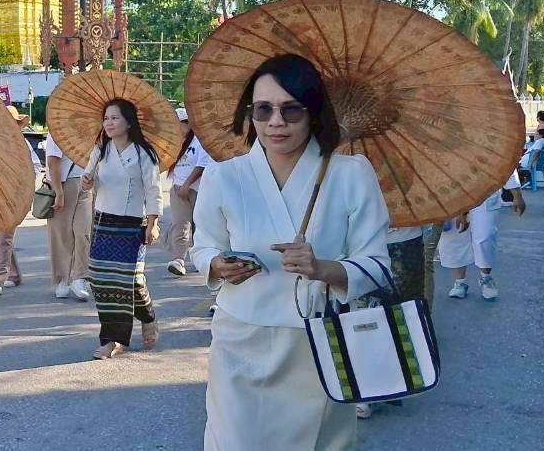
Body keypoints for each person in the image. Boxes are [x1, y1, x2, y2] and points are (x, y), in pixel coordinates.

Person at [192, 54, 391, 450]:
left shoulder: (351, 174)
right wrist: (217, 265)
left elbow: (377, 266)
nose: (276, 122)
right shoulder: (224, 176)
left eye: (291, 110)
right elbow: (204, 245)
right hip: (239, 341)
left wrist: (322, 268)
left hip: (317, 345)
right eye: (263, 110)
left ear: (313, 112)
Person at [82, 98, 163, 359]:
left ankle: (126, 332)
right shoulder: (100, 150)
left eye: (115, 118)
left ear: (128, 122)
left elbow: (153, 189)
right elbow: (87, 179)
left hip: (132, 224)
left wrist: (153, 223)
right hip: (104, 222)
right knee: (101, 278)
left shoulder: (144, 153)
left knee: (127, 279)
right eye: (106, 118)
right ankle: (118, 334)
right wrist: (86, 181)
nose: (109, 123)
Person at [440, 171, 526, 300]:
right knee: (454, 238)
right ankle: (459, 282)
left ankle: (486, 278)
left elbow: (506, 165)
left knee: (484, 237)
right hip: (452, 191)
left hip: (484, 191)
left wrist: (517, 195)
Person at [0, 106, 43, 297]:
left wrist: (23, 185)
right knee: (1, 236)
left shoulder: (23, 144)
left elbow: (35, 168)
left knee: (4, 236)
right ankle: (14, 274)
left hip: (15, 197)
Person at [45, 134, 93, 301]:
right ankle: (62, 279)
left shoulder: (89, 130)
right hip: (63, 183)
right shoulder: (57, 130)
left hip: (85, 183)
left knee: (83, 232)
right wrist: (58, 192)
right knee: (61, 234)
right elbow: (53, 161)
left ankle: (80, 278)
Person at [164, 107, 210, 276]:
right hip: (178, 189)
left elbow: (202, 165)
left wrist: (188, 184)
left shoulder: (199, 141)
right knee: (180, 224)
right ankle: (178, 259)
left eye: (180, 124)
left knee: (201, 225)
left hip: (199, 189)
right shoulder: (174, 143)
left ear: (189, 124)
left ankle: (201, 258)